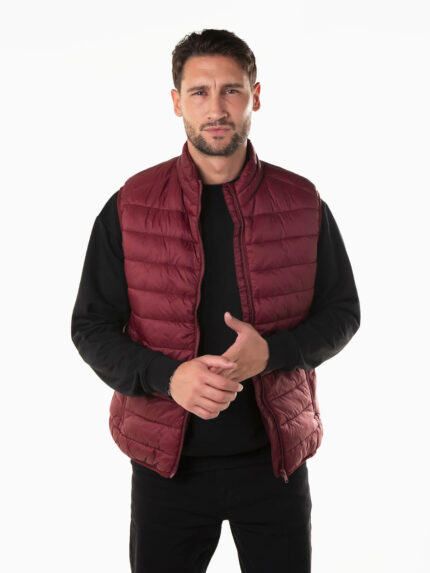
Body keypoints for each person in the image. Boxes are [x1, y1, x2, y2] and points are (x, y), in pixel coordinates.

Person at [71, 28, 360, 573]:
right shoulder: (131, 205)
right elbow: (91, 327)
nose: (217, 108)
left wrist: (271, 353)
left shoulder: (302, 202)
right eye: (199, 92)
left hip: (274, 463)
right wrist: (168, 377)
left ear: (255, 96)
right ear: (177, 102)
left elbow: (343, 313)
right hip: (166, 468)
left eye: (231, 90)